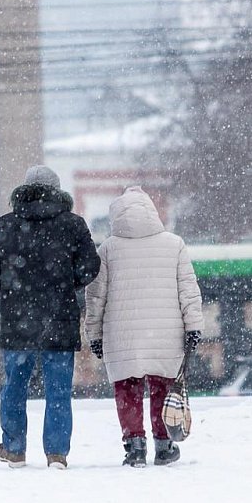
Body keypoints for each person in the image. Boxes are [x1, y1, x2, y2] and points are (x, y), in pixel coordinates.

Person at [0, 165, 100, 470]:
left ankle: (14, 449)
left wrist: (14, 290)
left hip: (18, 319)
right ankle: (57, 453)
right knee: (58, 389)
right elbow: (90, 267)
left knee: (14, 386)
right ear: (57, 191)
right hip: (59, 318)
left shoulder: (5, 225)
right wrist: (64, 285)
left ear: (24, 190)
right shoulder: (73, 225)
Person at [85, 186, 204, 467]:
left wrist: (95, 334)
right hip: (166, 334)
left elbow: (96, 296)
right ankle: (164, 446)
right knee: (163, 387)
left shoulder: (107, 250)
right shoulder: (174, 244)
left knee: (127, 389)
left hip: (122, 335)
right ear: (151, 212)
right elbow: (188, 290)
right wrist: (193, 327)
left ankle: (135, 446)